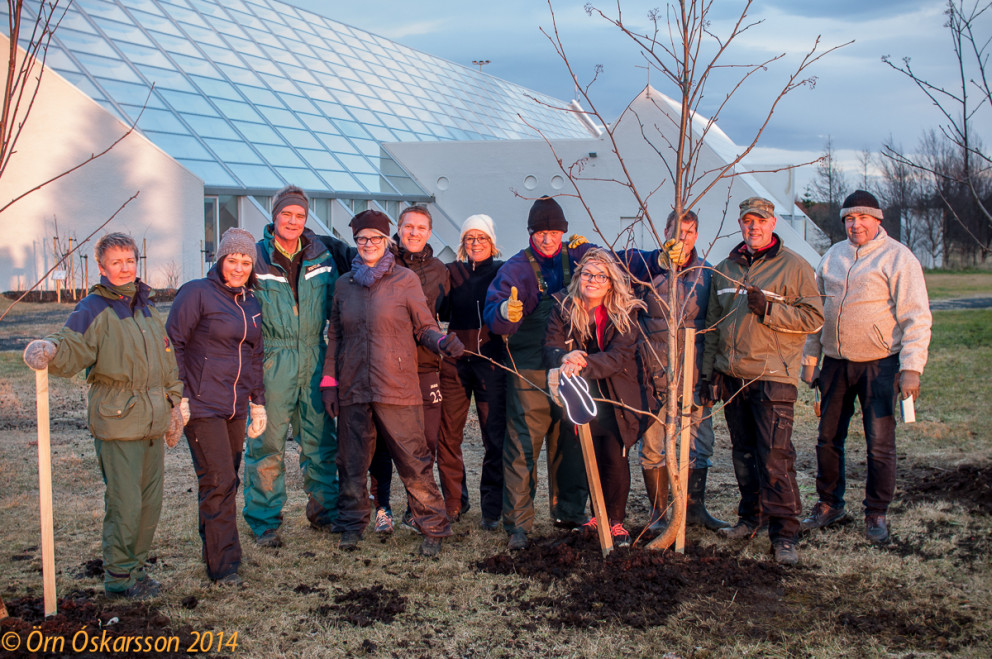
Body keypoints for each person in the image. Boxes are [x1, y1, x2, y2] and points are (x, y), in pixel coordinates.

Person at [23, 232, 184, 599]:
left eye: (130, 260)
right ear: (102, 267)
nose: (125, 268)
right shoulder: (94, 307)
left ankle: (137, 569)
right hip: (117, 421)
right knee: (125, 504)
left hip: (152, 422)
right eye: (117, 262)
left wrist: (174, 403)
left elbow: (167, 360)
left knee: (150, 503)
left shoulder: (146, 306)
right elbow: (71, 346)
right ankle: (119, 577)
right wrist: (49, 349)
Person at [320, 210, 464, 556]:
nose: (368, 244)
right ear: (355, 243)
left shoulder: (404, 281)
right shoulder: (344, 285)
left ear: (387, 241)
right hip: (354, 386)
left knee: (414, 461)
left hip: (397, 386)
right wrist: (329, 380)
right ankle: (352, 524)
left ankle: (433, 526)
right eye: (361, 239)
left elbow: (425, 326)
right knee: (352, 461)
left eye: (375, 238)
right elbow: (336, 335)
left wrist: (442, 343)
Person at [800, 190, 932, 544]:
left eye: (862, 218)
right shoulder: (832, 257)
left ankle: (876, 512)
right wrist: (811, 361)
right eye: (849, 219)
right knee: (828, 438)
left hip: (881, 364)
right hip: (836, 364)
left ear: (878, 220)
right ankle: (829, 504)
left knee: (879, 442)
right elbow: (816, 315)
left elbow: (916, 318)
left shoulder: (898, 259)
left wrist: (912, 368)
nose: (855, 225)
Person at [700, 197, 824, 566]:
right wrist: (709, 374)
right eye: (747, 221)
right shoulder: (725, 269)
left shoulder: (794, 267)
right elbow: (711, 329)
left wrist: (769, 309)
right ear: (740, 224)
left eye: (761, 221)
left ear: (772, 224)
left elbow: (813, 318)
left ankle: (785, 532)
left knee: (775, 457)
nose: (753, 227)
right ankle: (750, 518)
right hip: (734, 377)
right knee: (744, 454)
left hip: (774, 376)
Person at [243, 185, 354, 548]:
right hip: (271, 359)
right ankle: (264, 522)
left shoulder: (321, 255)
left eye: (300, 216)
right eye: (286, 214)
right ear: (274, 217)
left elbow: (336, 307)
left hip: (314, 354)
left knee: (320, 440)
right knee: (266, 443)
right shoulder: (254, 257)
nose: (293, 221)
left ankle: (325, 510)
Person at [484, 196, 595, 551]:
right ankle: (518, 524)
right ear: (531, 233)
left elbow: (616, 267)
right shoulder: (516, 268)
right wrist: (506, 311)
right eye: (541, 232)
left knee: (571, 440)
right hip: (529, 367)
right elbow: (493, 310)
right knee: (522, 444)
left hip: (569, 363)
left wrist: (591, 247)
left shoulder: (578, 257)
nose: (548, 239)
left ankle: (570, 514)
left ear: (563, 232)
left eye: (554, 232)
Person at [166, 228, 266, 587]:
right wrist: (178, 396)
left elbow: (255, 354)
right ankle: (224, 566)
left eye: (245, 262)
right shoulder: (196, 293)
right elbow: (173, 343)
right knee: (218, 479)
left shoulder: (250, 301)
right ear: (220, 259)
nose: (238, 267)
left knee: (227, 480)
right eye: (232, 260)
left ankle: (214, 548)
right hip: (202, 405)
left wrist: (258, 402)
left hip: (235, 405)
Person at [544, 249, 648, 547]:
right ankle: (595, 514)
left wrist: (584, 362)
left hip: (617, 393)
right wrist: (565, 355)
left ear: (611, 281)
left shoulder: (625, 312)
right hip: (581, 393)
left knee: (614, 456)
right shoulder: (563, 307)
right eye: (587, 274)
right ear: (578, 278)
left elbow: (619, 357)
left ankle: (615, 521)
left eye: (601, 275)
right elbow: (549, 345)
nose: (593, 280)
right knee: (589, 454)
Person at [636, 210, 729, 534]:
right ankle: (659, 514)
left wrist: (710, 375)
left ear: (697, 235)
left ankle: (693, 509)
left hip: (693, 376)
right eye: (678, 231)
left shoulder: (707, 275)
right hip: (654, 374)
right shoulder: (647, 271)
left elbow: (715, 326)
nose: (684, 237)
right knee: (653, 445)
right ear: (665, 231)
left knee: (699, 444)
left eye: (690, 231)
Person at [367, 205, 452, 533]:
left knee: (425, 441)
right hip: (386, 367)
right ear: (398, 230)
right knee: (384, 442)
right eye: (408, 227)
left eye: (421, 227)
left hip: (424, 366)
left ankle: (415, 509)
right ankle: (382, 507)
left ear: (429, 232)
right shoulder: (382, 263)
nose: (414, 233)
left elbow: (442, 312)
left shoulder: (439, 270)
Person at [438, 214, 506, 529]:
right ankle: (454, 501)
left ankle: (492, 510)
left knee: (494, 436)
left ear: (491, 242)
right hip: (455, 359)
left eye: (481, 238)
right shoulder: (452, 272)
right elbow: (438, 306)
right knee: (448, 435)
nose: (475, 243)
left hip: (491, 360)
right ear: (462, 244)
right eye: (469, 238)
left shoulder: (502, 271)